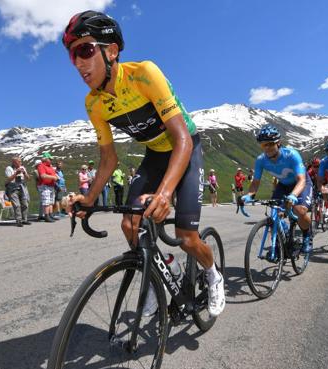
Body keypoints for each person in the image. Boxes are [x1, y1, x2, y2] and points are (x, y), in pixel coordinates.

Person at [62, 10, 224, 317]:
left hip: (185, 148)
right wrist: (90, 199)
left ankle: (214, 274)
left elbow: (183, 141)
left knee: (188, 238)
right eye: (73, 56)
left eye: (85, 50)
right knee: (129, 224)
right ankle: (158, 278)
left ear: (111, 51)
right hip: (155, 154)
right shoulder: (94, 103)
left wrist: (164, 194)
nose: (79, 62)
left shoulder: (144, 74)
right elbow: (109, 159)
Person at [241, 125, 313, 253]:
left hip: (301, 183)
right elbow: (256, 182)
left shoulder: (291, 155)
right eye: (264, 145)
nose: (267, 148)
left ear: (278, 143)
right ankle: (281, 238)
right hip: (283, 185)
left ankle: (307, 235)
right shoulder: (261, 160)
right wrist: (249, 195)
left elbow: (301, 180)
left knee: (300, 210)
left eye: (270, 144)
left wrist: (293, 195)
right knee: (275, 215)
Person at [4, 156, 31, 227]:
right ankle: (19, 220)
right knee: (17, 205)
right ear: (14, 162)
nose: (20, 163)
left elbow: (28, 178)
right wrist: (16, 173)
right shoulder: (9, 168)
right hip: (13, 189)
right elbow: (9, 179)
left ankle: (24, 219)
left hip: (22, 187)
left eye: (20, 161)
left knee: (25, 203)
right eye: (18, 161)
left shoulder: (22, 167)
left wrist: (24, 173)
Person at [37, 152, 59, 222]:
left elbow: (54, 174)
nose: (51, 160)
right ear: (45, 159)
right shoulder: (41, 166)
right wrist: (53, 177)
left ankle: (50, 214)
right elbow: (43, 176)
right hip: (44, 186)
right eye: (50, 159)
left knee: (51, 201)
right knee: (46, 201)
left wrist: (56, 177)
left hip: (51, 185)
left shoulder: (50, 166)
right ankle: (46, 216)